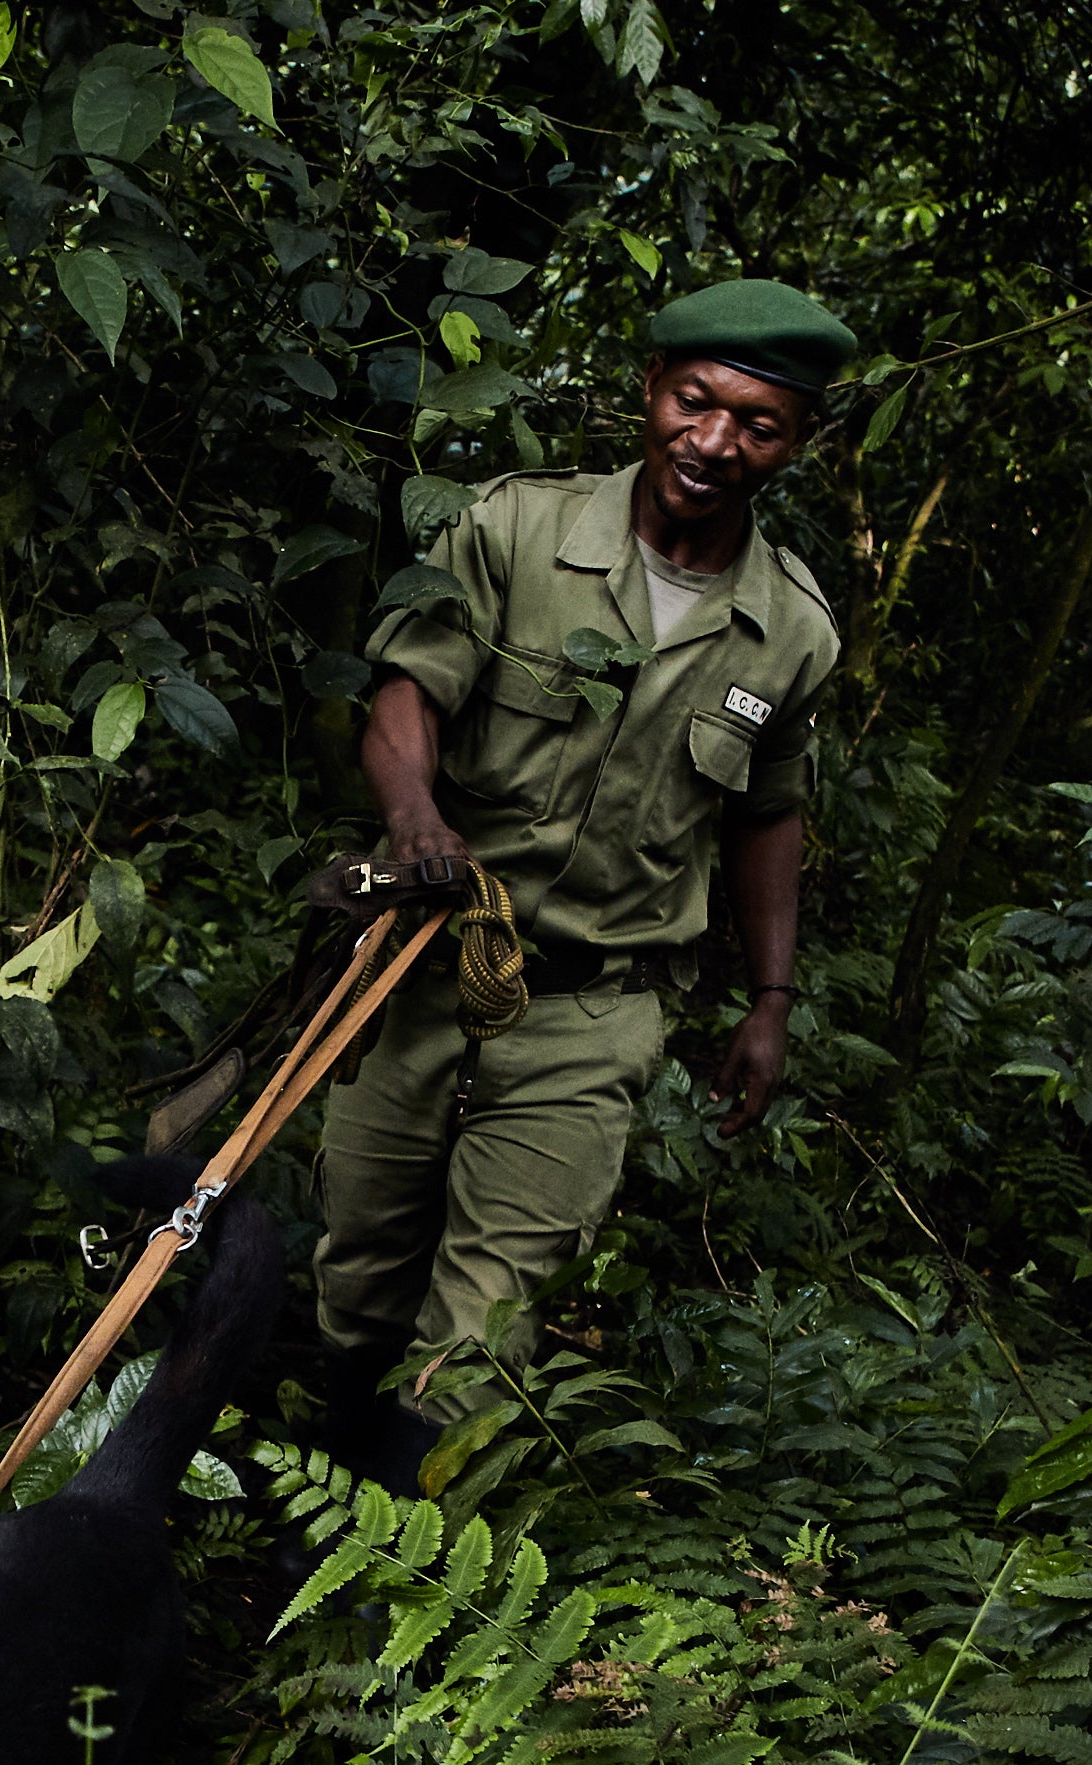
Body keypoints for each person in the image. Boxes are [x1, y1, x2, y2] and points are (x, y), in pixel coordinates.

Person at [313, 276, 855, 1489]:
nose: (714, 444)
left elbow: (771, 810)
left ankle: (383, 1579)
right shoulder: (514, 529)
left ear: (798, 440)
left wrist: (771, 999)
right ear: (651, 392)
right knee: (358, 1265)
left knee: (487, 1325)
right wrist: (414, 814)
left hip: (593, 1009)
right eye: (695, 404)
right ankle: (309, 1491)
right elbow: (406, 689)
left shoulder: (793, 630)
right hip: (423, 966)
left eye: (757, 423)